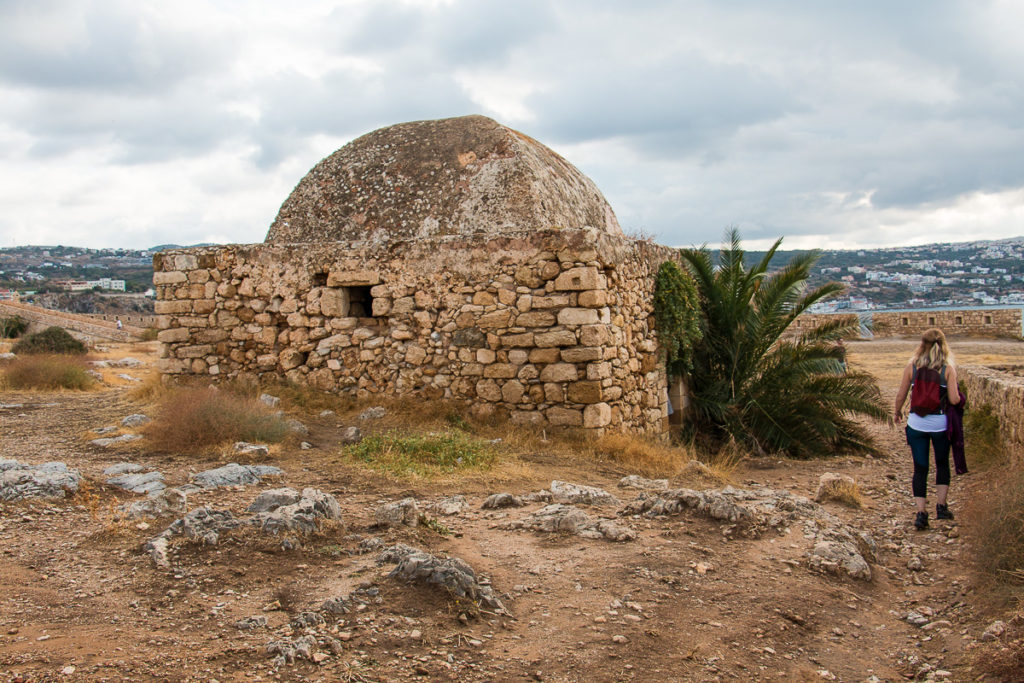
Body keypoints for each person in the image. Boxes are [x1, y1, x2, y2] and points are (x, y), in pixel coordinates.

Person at [893, 328, 961, 530]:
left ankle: (921, 514)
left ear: (922, 344)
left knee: (920, 468)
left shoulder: (912, 367)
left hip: (916, 423)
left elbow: (901, 394)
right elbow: (954, 399)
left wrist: (897, 412)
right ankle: (941, 507)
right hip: (939, 424)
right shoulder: (947, 368)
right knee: (941, 464)